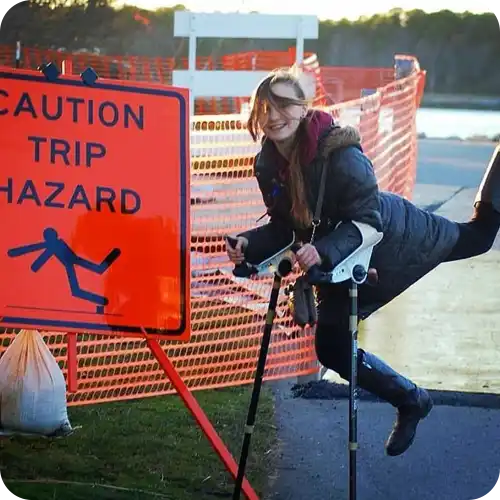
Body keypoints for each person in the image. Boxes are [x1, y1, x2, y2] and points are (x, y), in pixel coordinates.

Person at [226, 66, 500, 457]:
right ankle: (412, 400)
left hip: (395, 237)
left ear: (303, 108)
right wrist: (246, 245)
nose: (273, 115)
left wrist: (321, 251)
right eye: (265, 107)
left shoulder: (340, 153)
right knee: (333, 350)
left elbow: (368, 219)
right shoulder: (267, 163)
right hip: (342, 257)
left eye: (284, 105)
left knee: (476, 237)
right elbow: (284, 226)